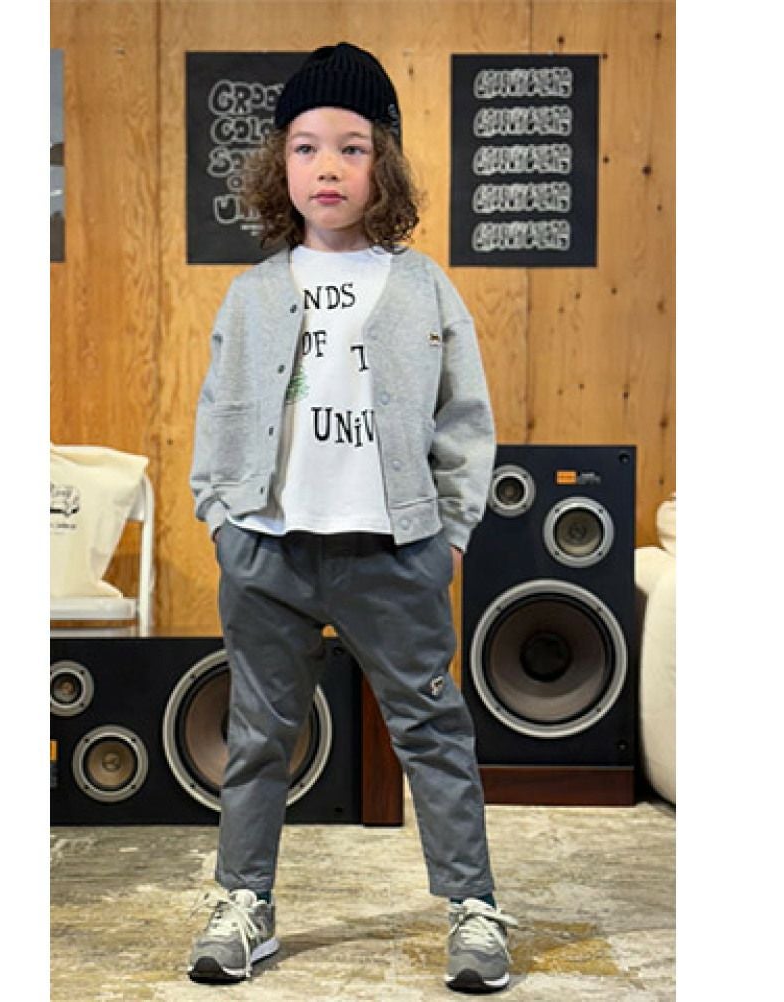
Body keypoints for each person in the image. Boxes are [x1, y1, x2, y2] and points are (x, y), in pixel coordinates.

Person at [186, 41, 518, 994]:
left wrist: (448, 535)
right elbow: (220, 410)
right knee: (259, 734)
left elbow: (465, 420)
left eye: (352, 147)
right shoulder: (254, 293)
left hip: (394, 554)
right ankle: (243, 902)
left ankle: (473, 909)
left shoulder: (422, 287)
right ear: (279, 165)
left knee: (433, 729)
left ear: (385, 166)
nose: (326, 166)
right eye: (305, 147)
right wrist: (223, 518)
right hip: (268, 551)